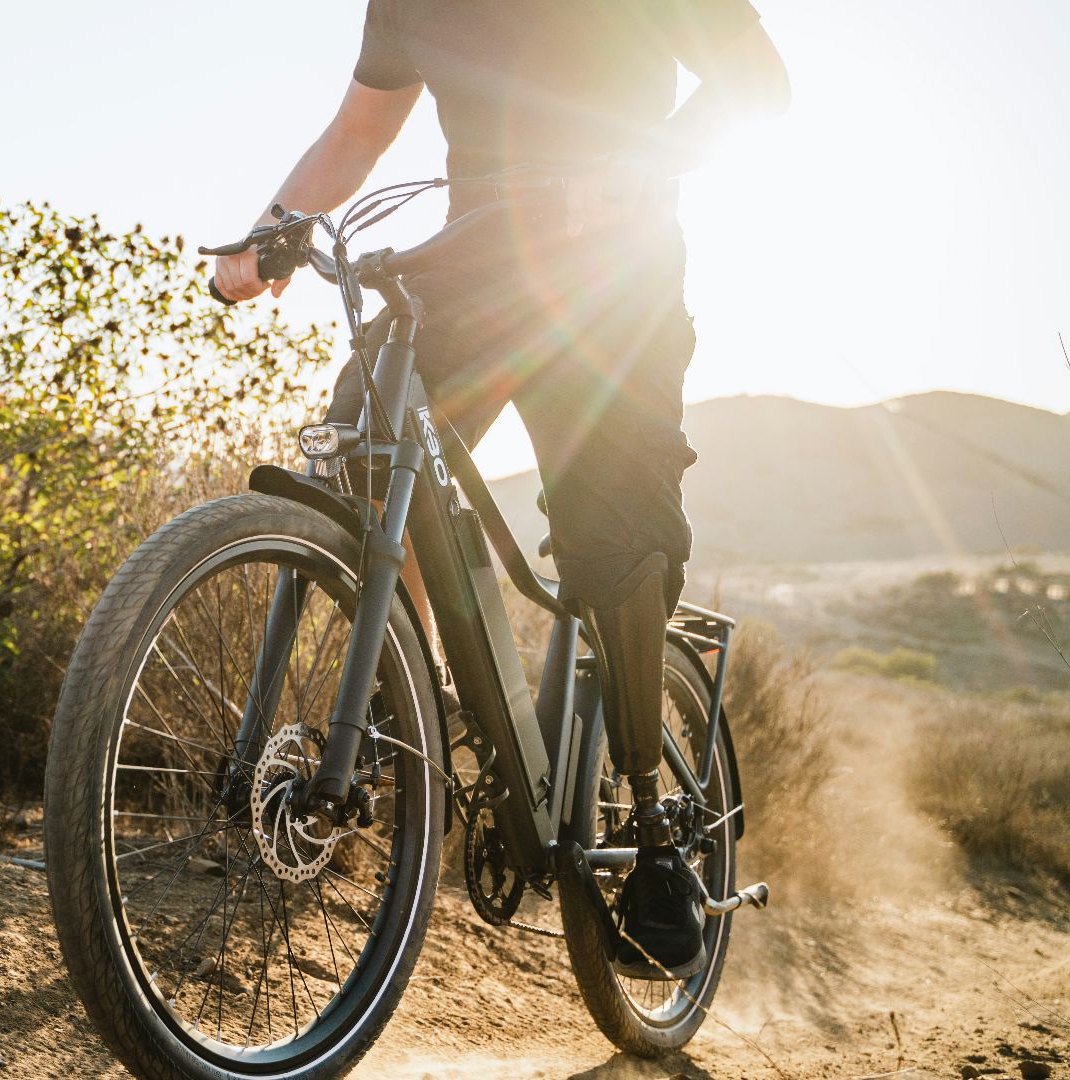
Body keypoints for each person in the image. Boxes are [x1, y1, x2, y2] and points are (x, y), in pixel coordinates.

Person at [212, 2, 788, 980]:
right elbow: (358, 130)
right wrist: (264, 236)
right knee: (359, 446)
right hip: (471, 261)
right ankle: (421, 702)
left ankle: (652, 829)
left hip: (614, 275)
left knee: (612, 542)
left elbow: (758, 86)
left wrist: (642, 162)